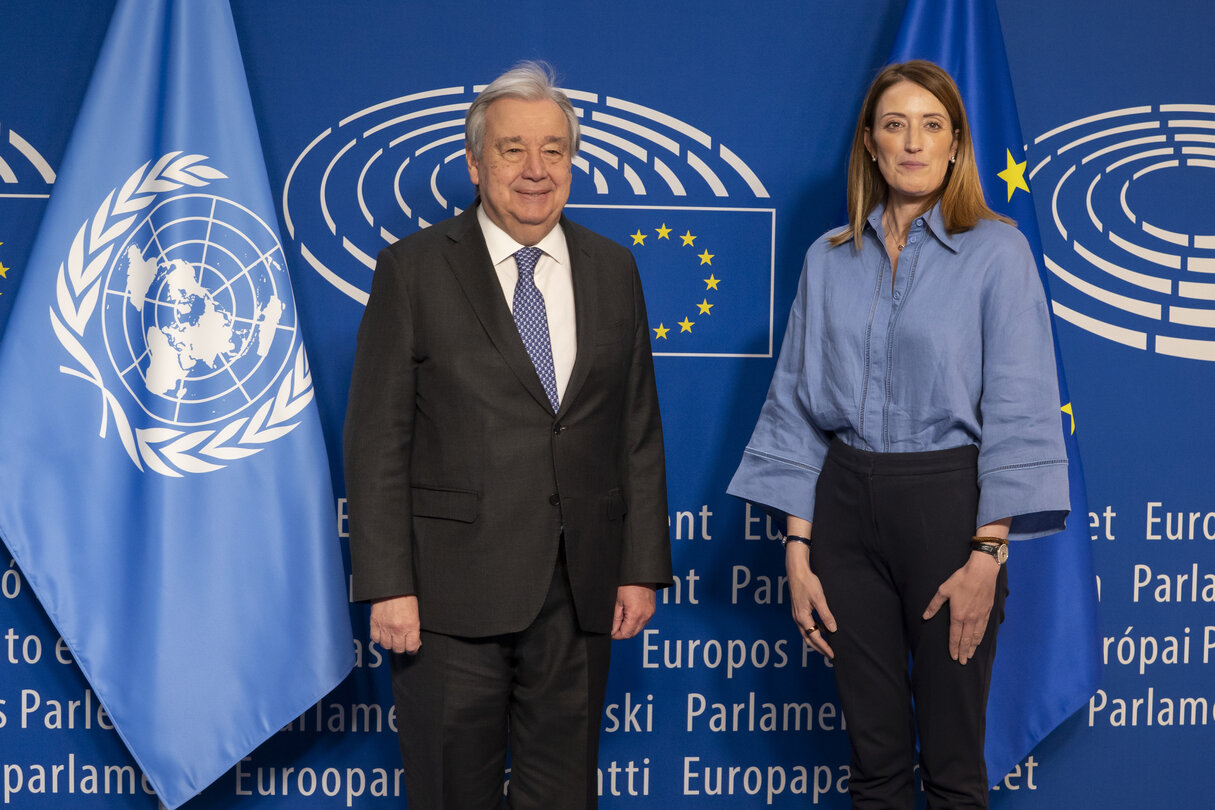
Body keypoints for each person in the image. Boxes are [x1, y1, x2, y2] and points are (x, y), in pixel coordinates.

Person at [727, 60, 1069, 809]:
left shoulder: (997, 254)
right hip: (841, 513)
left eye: (931, 125)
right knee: (873, 764)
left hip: (949, 514)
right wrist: (797, 549)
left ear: (954, 147)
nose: (911, 143)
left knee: (951, 765)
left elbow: (1019, 409)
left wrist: (986, 553)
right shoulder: (826, 259)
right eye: (894, 124)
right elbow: (794, 406)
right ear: (870, 146)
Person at [343, 61, 672, 809]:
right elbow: (377, 440)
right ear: (474, 163)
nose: (534, 170)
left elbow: (636, 427)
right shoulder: (414, 270)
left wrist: (639, 565)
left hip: (578, 589)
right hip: (448, 598)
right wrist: (389, 585)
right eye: (512, 149)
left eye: (553, 150)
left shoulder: (613, 269)